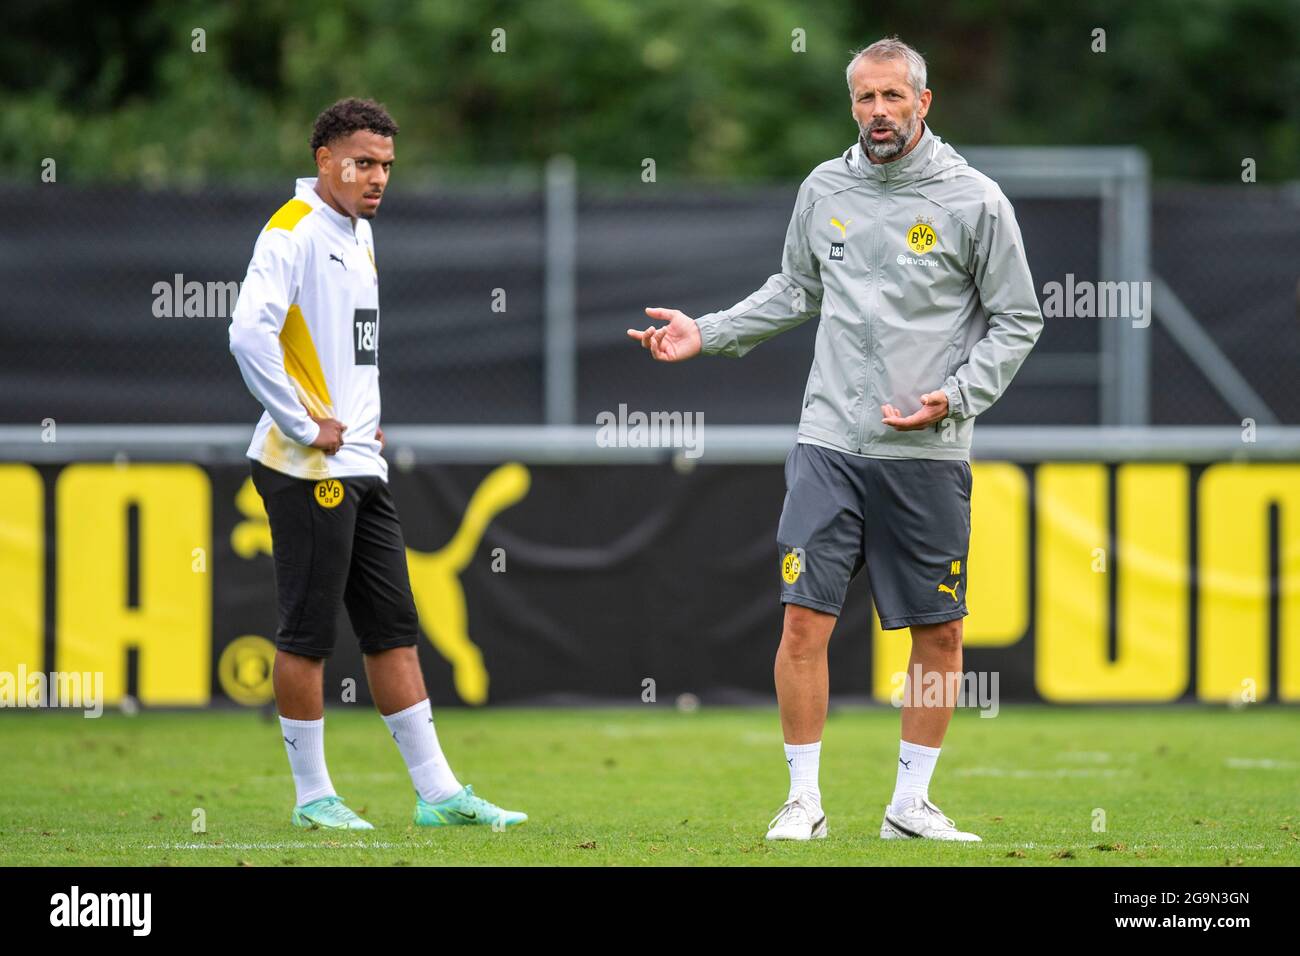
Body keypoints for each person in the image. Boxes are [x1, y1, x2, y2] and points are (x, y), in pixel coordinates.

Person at [628, 38, 1043, 841]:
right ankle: (804, 802)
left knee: (941, 631)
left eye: (893, 97)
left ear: (925, 102)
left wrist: (954, 400)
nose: (878, 113)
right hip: (828, 444)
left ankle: (910, 807)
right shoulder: (825, 188)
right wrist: (706, 332)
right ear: (851, 104)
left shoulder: (975, 200)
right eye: (864, 99)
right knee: (801, 621)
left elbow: (1019, 317)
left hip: (926, 451)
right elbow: (795, 288)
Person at [228, 97, 526, 831]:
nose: (377, 178)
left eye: (387, 166)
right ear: (324, 158)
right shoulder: (292, 231)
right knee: (307, 634)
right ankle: (311, 799)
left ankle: (438, 794)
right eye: (363, 162)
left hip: (359, 462)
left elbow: (338, 346)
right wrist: (306, 423)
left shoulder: (356, 233)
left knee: (394, 628)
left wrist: (361, 421)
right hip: (305, 468)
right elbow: (247, 334)